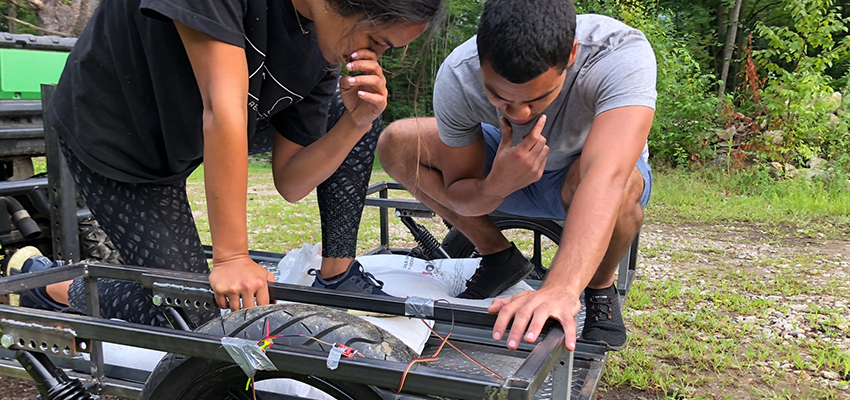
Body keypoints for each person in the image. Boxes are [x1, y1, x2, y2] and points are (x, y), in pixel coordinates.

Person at [12, 0, 444, 327]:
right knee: (193, 317)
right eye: (377, 41)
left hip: (185, 130)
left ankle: (339, 273)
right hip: (114, 132)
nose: (375, 57)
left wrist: (355, 123)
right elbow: (223, 106)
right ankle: (45, 284)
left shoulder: (323, 44)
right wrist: (232, 256)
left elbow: (292, 182)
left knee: (359, 106)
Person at [377, 0, 656, 352]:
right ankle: (499, 258)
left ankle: (600, 286)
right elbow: (459, 192)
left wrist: (561, 287)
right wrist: (496, 184)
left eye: (539, 98)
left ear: (571, 54)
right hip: (508, 168)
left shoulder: (617, 52)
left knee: (627, 182)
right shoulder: (458, 75)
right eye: (498, 97)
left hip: (583, 175)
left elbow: (607, 178)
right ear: (481, 57)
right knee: (398, 143)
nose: (520, 114)